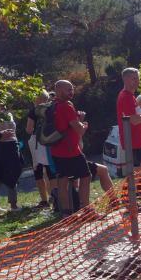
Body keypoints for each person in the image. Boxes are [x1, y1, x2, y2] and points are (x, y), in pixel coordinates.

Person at [50, 80, 92, 216]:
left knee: (63, 181)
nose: (71, 92)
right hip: (71, 151)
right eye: (68, 89)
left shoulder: (53, 105)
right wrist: (83, 124)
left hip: (56, 150)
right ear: (59, 90)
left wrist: (77, 119)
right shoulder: (66, 106)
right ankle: (86, 209)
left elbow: (64, 124)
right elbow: (79, 130)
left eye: (72, 89)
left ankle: (66, 213)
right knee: (86, 176)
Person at [25, 90, 57, 207]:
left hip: (38, 143)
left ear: (35, 99)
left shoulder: (34, 111)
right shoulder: (53, 107)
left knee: (38, 170)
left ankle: (44, 200)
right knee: (51, 171)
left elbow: (29, 129)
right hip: (51, 140)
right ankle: (56, 198)